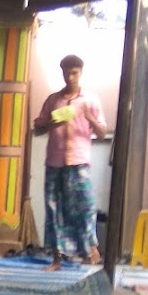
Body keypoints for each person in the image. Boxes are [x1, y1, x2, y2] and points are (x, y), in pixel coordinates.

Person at [32, 53, 108, 269]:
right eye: (66, 72)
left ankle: (91, 251)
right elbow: (37, 129)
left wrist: (88, 116)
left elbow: (102, 133)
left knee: (84, 206)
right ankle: (57, 258)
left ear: (80, 73)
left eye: (74, 72)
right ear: (62, 73)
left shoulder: (90, 100)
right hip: (54, 162)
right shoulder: (53, 100)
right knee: (53, 209)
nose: (70, 77)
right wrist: (51, 124)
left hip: (79, 162)